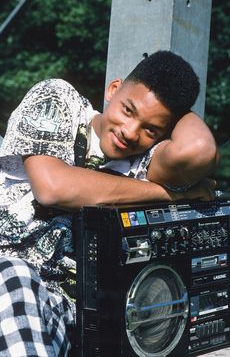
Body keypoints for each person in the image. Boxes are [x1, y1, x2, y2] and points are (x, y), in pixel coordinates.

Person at [0, 50, 218, 356]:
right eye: (128, 110)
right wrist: (171, 195)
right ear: (113, 89)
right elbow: (52, 188)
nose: (130, 132)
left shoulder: (145, 163)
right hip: (7, 273)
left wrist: (178, 107)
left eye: (150, 129)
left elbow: (198, 150)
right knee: (13, 276)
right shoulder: (59, 100)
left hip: (63, 307)